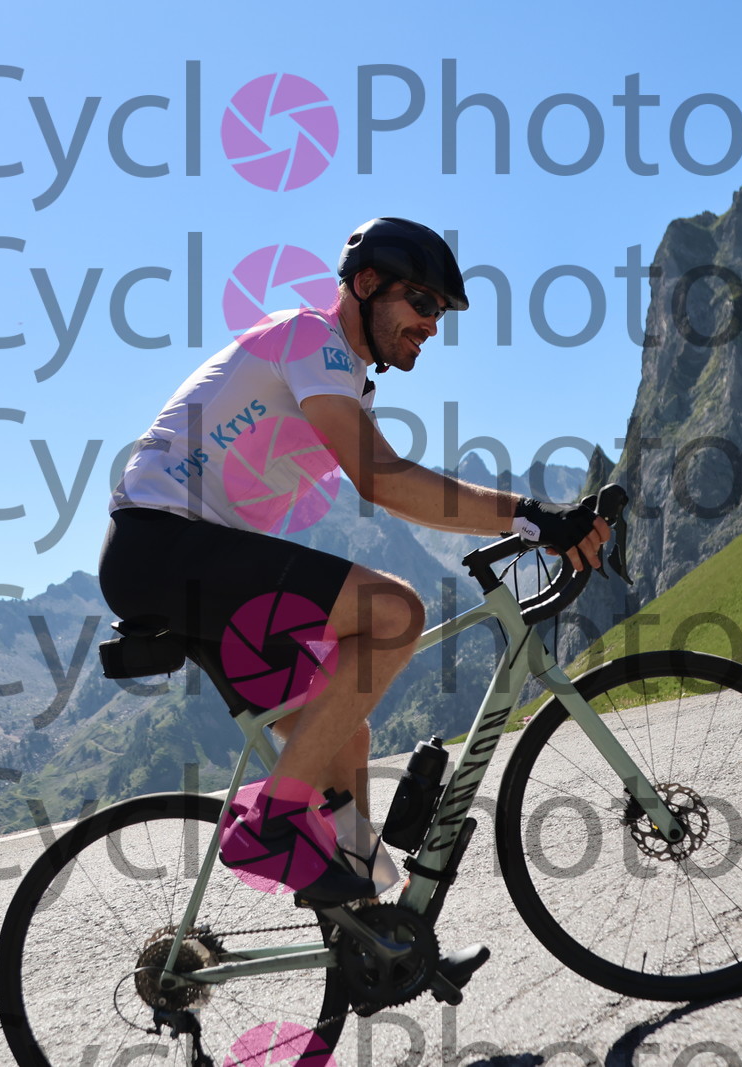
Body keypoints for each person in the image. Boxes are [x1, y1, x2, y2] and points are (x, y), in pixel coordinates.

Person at [99, 218, 609, 913]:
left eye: (440, 313)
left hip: (193, 561)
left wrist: (526, 519)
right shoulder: (311, 339)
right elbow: (381, 478)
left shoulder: (345, 379)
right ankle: (271, 823)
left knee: (344, 734)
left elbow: (399, 486)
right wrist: (527, 513)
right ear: (366, 285)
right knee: (394, 613)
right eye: (421, 302)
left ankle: (373, 935)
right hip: (162, 546)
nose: (431, 325)